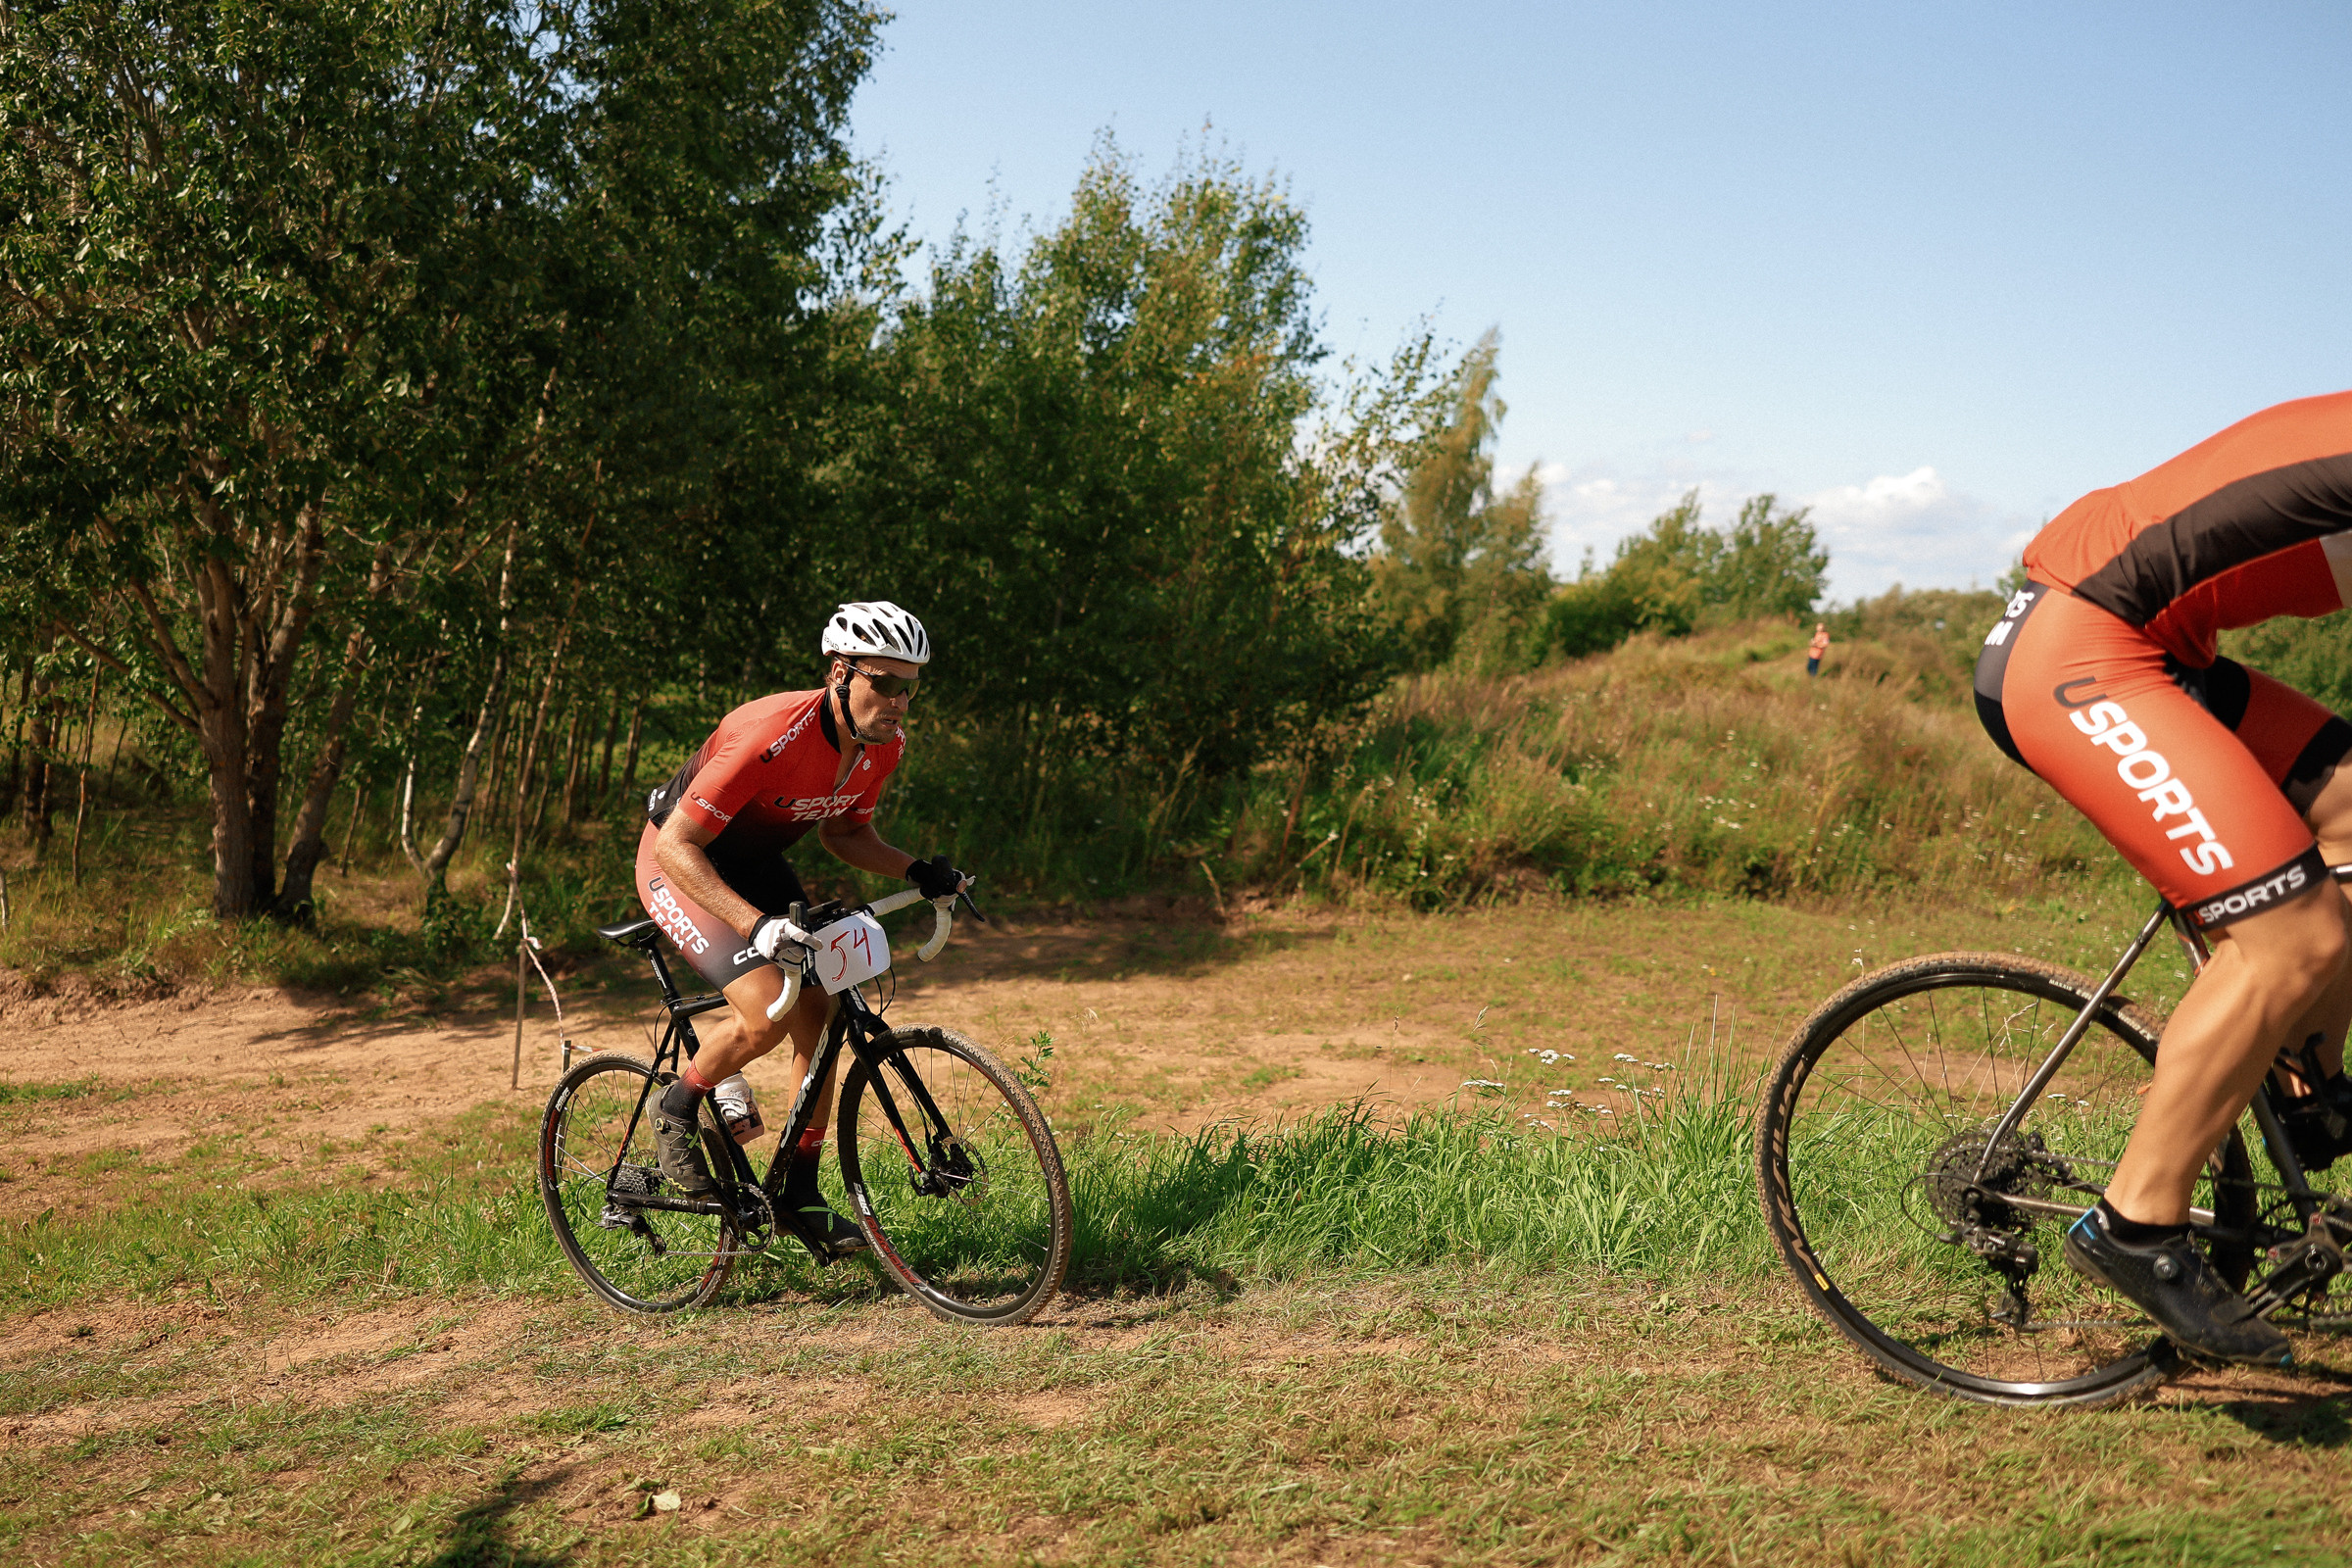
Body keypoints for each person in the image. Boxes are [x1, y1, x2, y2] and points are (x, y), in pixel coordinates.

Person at [1973, 390, 2352, 1363]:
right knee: (2294, 934)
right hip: (2080, 648)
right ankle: (2135, 1224)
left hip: (2164, 654)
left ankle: (2303, 1086)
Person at [633, 601, 969, 1255]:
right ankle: (677, 1105)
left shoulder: (882, 746)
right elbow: (678, 845)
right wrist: (754, 925)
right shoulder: (769, 734)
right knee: (767, 1016)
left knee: (820, 1022)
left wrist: (918, 870)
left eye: (911, 686)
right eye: (886, 683)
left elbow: (845, 832)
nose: (900, 701)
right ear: (841, 673)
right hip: (679, 862)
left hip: (755, 863)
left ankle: (798, 1195)